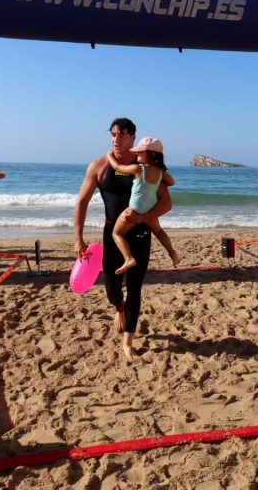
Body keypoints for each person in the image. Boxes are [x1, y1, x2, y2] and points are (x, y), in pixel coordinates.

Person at [74, 118, 172, 359]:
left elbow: (166, 202)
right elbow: (82, 202)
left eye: (123, 135)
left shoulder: (146, 168)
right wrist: (78, 238)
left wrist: (144, 217)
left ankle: (128, 341)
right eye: (114, 134)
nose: (117, 139)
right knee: (111, 288)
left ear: (133, 138)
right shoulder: (99, 166)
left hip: (139, 233)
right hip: (112, 234)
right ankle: (118, 308)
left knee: (135, 288)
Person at [105, 136, 180, 274]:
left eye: (140, 151)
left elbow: (117, 167)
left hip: (134, 210)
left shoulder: (138, 169)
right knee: (158, 231)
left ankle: (128, 258)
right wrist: (159, 180)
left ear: (151, 154)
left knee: (116, 233)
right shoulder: (160, 172)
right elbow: (172, 182)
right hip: (149, 210)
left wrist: (109, 155)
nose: (136, 153)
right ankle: (172, 253)